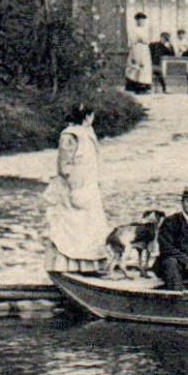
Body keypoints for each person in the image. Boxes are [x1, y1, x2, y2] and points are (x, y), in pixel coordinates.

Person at [44, 104, 112, 272]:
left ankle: (88, 266)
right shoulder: (72, 134)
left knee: (89, 226)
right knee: (72, 226)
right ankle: (68, 267)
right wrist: (74, 185)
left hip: (87, 186)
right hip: (74, 187)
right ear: (87, 117)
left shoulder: (85, 134)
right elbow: (64, 167)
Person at [124, 12, 153, 94]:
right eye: (139, 20)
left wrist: (142, 39)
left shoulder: (146, 29)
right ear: (136, 21)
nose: (141, 22)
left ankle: (144, 87)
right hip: (136, 48)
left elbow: (147, 40)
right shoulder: (133, 29)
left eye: (143, 20)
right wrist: (140, 39)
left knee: (145, 67)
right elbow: (133, 40)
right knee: (135, 65)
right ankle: (135, 86)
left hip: (144, 50)